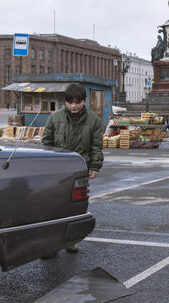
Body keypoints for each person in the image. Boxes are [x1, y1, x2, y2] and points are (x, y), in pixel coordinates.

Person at [42, 84, 104, 254]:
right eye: (70, 102)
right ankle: (50, 246)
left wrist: (95, 165)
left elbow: (97, 145)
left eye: (78, 102)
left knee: (75, 208)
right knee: (52, 207)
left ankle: (71, 240)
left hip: (79, 170)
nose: (74, 105)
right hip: (57, 170)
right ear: (66, 102)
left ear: (85, 101)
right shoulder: (55, 117)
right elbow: (46, 143)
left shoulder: (93, 119)